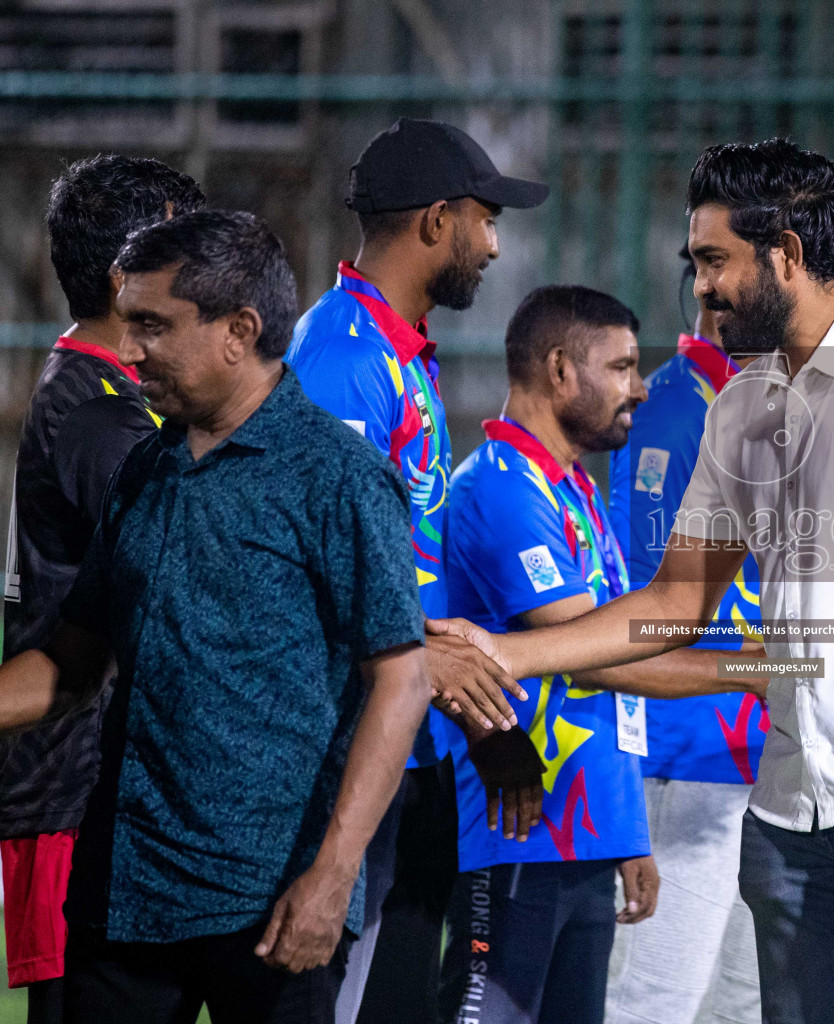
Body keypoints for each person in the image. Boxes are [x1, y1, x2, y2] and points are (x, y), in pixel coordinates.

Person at [432, 138, 834, 1024]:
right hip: (785, 808)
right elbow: (675, 603)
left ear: (784, 255)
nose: (701, 288)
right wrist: (508, 652)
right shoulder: (743, 405)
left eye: (714, 261)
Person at [0, 210, 438, 1023]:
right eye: (127, 324)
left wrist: (334, 875)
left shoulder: (338, 477)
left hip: (273, 904)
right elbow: (69, 665)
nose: (128, 352)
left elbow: (403, 680)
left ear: (239, 331)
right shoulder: (145, 466)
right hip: (124, 895)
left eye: (152, 327)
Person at [438, 285, 763, 1024]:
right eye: (620, 368)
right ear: (560, 370)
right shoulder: (502, 489)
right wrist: (764, 668)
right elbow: (595, 658)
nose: (639, 389)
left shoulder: (571, 489)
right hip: (518, 824)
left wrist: (626, 834)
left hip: (582, 832)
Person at [286, 116, 548, 1024]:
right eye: (483, 219)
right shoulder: (343, 359)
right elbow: (319, 563)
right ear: (436, 221)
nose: (494, 242)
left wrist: (471, 717)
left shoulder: (395, 349)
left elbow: (400, 564)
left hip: (405, 724)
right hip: (350, 729)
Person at [0, 154, 203, 1024]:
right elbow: (195, 563)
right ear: (128, 274)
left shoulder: (122, 392)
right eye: (185, 247)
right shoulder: (92, 406)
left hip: (103, 793)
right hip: (73, 797)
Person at [604, 254, 765, 1024]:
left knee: (739, 1003)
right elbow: (650, 605)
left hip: (751, 751)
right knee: (652, 1000)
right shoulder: (673, 408)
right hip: (682, 749)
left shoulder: (759, 403)